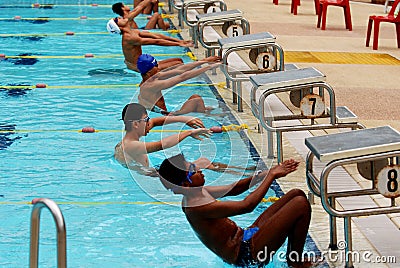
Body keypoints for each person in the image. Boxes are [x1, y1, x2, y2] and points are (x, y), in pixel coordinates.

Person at [158, 154, 321, 267]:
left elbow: (235, 188)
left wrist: (262, 175)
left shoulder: (197, 192)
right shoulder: (196, 206)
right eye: (193, 170)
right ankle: (296, 264)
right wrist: (271, 175)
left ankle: (293, 259)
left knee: (296, 194)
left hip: (246, 237)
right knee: (299, 204)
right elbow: (247, 206)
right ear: (186, 184)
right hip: (246, 256)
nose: (200, 170)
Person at [114, 103, 253, 174]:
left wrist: (185, 119)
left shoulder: (129, 137)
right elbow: (163, 144)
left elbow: (157, 122)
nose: (150, 123)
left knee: (202, 162)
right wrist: (188, 133)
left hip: (153, 172)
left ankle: (245, 171)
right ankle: (245, 174)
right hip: (153, 176)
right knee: (204, 162)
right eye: (146, 119)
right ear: (136, 124)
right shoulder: (130, 146)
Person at [137, 54, 221, 115]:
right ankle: (209, 116)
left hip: (164, 113)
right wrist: (208, 67)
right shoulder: (150, 85)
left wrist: (205, 60)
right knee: (196, 99)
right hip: (165, 116)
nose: (158, 67)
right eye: (155, 66)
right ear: (148, 72)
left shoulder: (153, 77)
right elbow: (182, 77)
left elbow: (180, 70)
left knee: (201, 106)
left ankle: (206, 113)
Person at [106, 16, 192, 72]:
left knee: (179, 60)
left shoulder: (133, 32)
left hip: (141, 63)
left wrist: (179, 41)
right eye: (117, 19)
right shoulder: (129, 38)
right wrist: (179, 45)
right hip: (138, 67)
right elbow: (156, 42)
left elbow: (155, 36)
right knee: (179, 64)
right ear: (119, 27)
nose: (119, 17)